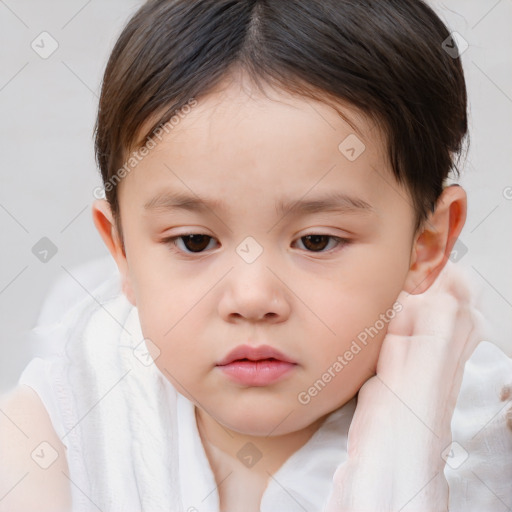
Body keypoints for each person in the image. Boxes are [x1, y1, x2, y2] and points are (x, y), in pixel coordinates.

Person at [1, 1, 511, 511]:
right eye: (194, 241)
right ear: (123, 252)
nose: (252, 298)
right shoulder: (56, 436)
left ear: (427, 244)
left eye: (316, 241)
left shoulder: (486, 445)